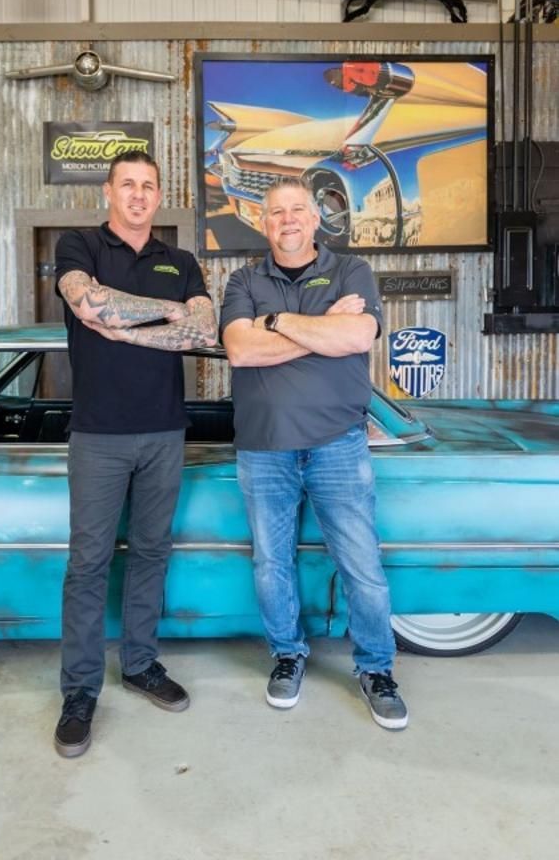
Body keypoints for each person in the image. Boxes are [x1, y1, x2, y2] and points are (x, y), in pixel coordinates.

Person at [220, 175, 408, 730]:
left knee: (362, 565)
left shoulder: (352, 271)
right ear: (263, 221)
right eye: (276, 212)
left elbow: (355, 338)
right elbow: (238, 348)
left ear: (316, 216)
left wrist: (276, 322)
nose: (288, 220)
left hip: (337, 446)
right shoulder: (242, 279)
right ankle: (286, 655)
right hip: (264, 449)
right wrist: (321, 325)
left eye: (297, 210)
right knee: (271, 564)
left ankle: (377, 668)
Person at [53, 150, 217, 758]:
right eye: (128, 184)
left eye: (149, 186)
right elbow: (86, 304)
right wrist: (162, 313)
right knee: (89, 564)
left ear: (157, 194)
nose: (139, 195)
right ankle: (79, 691)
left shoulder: (180, 260)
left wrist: (125, 319)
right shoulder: (80, 246)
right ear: (109, 191)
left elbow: (204, 330)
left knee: (152, 552)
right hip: (97, 435)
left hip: (164, 433)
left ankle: (141, 663)